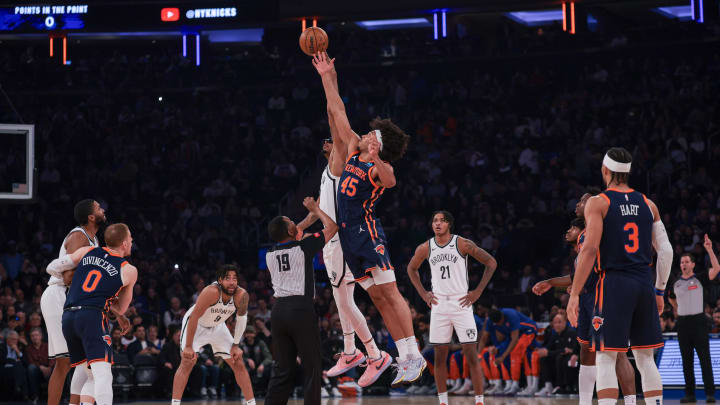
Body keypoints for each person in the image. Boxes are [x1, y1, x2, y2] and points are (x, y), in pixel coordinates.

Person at [312, 51, 420, 385]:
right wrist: (327, 76)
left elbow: (391, 181)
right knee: (375, 297)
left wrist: (378, 158)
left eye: (375, 136)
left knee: (391, 294)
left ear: (380, 146)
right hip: (348, 235)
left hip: (366, 231)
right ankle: (403, 354)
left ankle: (414, 355)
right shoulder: (353, 149)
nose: (368, 134)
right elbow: (338, 110)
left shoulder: (375, 166)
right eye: (370, 134)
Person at [568, 147, 673, 405]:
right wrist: (659, 290)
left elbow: (590, 249)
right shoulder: (649, 204)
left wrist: (574, 294)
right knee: (645, 359)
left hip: (614, 284)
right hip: (644, 283)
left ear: (605, 170)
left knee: (606, 356)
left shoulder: (598, 202)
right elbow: (667, 251)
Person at [295, 135, 384, 386]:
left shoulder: (342, 167)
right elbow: (319, 209)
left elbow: (320, 211)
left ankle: (373, 353)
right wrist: (297, 230)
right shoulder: (326, 172)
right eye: (323, 139)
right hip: (331, 239)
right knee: (341, 299)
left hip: (340, 237)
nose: (325, 142)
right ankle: (350, 350)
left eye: (330, 140)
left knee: (344, 301)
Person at [533, 197, 637, 404]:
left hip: (605, 295)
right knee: (586, 352)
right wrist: (552, 283)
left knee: (615, 353)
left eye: (582, 202)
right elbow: (578, 275)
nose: (577, 205)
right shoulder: (583, 243)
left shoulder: (596, 229)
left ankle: (631, 402)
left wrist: (575, 289)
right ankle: (585, 401)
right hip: (589, 297)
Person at [407, 210, 497, 405]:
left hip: (461, 303)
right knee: (440, 357)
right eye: (435, 221)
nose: (437, 224)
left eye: (442, 221)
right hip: (439, 305)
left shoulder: (462, 243)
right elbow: (411, 269)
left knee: (471, 355)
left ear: (449, 224)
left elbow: (491, 262)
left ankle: (480, 400)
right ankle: (443, 402)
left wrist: (478, 292)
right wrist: (423, 294)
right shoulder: (426, 247)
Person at [48, 222, 138, 405]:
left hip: (69, 315)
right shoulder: (129, 269)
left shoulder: (88, 250)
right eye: (130, 238)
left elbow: (53, 266)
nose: (132, 240)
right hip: (92, 317)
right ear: (124, 244)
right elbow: (121, 309)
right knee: (103, 374)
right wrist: (114, 307)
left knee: (87, 371)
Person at [264, 196, 337, 405]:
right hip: (300, 310)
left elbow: (295, 233)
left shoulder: (270, 253)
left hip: (278, 312)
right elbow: (331, 227)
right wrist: (317, 210)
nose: (295, 224)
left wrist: (310, 216)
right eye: (291, 222)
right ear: (289, 231)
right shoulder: (303, 248)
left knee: (282, 369)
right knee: (312, 367)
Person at [40, 199, 106, 405]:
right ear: (91, 217)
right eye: (98, 208)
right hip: (60, 295)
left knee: (81, 361)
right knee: (65, 362)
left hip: (74, 299)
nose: (103, 210)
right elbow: (69, 277)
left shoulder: (94, 241)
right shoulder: (79, 236)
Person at [172, 264, 254, 405]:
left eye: (235, 278)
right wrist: (189, 346)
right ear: (220, 280)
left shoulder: (242, 295)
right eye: (228, 278)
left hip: (218, 326)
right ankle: (174, 403)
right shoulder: (211, 291)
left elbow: (242, 320)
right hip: (197, 324)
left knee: (238, 361)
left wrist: (235, 345)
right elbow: (194, 317)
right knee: (187, 361)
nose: (232, 282)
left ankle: (251, 403)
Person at [668, 236, 719, 403]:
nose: (684, 264)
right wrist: (678, 309)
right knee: (686, 360)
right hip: (682, 323)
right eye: (682, 262)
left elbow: (716, 268)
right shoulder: (676, 283)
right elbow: (671, 298)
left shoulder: (701, 278)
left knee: (704, 358)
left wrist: (709, 249)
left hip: (699, 321)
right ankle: (690, 394)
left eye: (687, 262)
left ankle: (710, 393)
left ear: (693, 264)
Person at [479, 308, 537, 395]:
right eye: (498, 324)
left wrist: (503, 357)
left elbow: (514, 339)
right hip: (514, 335)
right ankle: (507, 384)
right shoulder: (490, 321)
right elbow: (484, 339)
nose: (501, 324)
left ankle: (517, 384)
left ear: (502, 316)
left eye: (501, 322)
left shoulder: (511, 315)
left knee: (515, 351)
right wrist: (478, 356)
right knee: (498, 351)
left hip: (528, 330)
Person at [535, 313, 579, 395]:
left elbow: (569, 350)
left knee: (561, 358)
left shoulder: (571, 332)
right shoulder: (555, 334)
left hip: (572, 358)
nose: (557, 325)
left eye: (559, 322)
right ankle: (548, 386)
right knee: (543, 358)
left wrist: (549, 352)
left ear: (565, 322)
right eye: (555, 323)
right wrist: (542, 350)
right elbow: (548, 348)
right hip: (558, 358)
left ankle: (564, 386)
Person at [25, 327, 53, 402]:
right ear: (30, 337)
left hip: (50, 368)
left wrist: (49, 367)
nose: (35, 337)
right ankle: (35, 395)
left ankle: (56, 396)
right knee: (31, 368)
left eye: (36, 335)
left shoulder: (48, 345)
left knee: (56, 368)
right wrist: (40, 367)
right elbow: (30, 361)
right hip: (37, 370)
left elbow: (53, 358)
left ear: (41, 336)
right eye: (32, 336)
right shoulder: (28, 348)